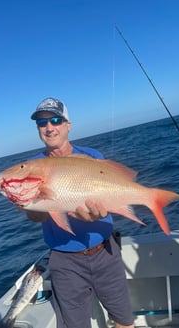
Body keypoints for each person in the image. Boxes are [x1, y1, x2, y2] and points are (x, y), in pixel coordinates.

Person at [26, 97, 134, 328]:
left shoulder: (92, 155)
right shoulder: (32, 167)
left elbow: (108, 195)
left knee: (125, 321)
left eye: (55, 119)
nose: (49, 127)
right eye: (42, 123)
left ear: (68, 125)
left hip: (105, 252)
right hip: (65, 261)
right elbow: (35, 216)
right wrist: (28, 204)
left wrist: (98, 213)